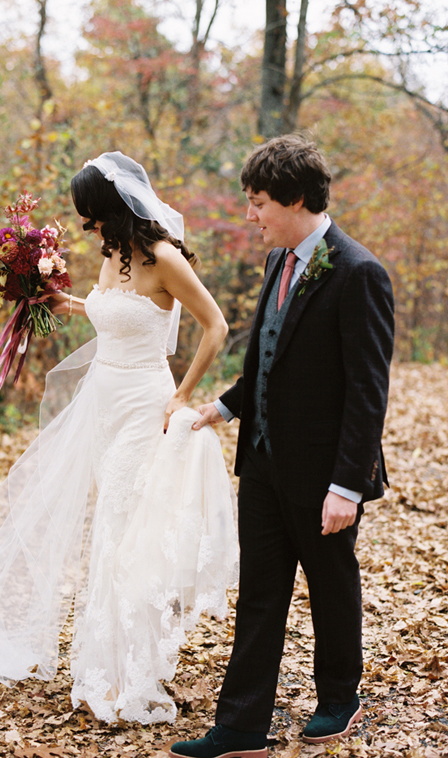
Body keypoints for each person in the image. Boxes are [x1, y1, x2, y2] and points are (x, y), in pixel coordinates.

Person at [0, 151, 238, 725]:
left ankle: (132, 671)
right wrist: (60, 301)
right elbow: (113, 315)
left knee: (123, 529)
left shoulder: (163, 258)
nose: (86, 227)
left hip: (142, 402)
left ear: (113, 209)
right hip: (102, 400)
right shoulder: (113, 258)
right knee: (110, 525)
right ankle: (110, 661)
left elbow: (215, 325)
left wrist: (182, 394)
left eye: (91, 215)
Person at [171, 135, 395, 758]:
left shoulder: (359, 273)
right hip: (263, 465)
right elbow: (269, 359)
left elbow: (367, 392)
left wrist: (347, 485)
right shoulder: (277, 262)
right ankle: (242, 726)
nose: (251, 215)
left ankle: (338, 700)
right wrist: (220, 408)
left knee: (330, 586)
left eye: (259, 202)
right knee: (262, 593)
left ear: (295, 199)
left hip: (326, 475)